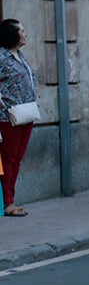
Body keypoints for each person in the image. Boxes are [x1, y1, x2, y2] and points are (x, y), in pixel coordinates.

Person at [0, 19, 37, 217]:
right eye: (21, 30)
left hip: (26, 113)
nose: (25, 33)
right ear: (12, 35)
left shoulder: (19, 56)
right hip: (8, 117)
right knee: (9, 159)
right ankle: (8, 203)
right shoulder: (1, 58)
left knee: (17, 159)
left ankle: (10, 199)